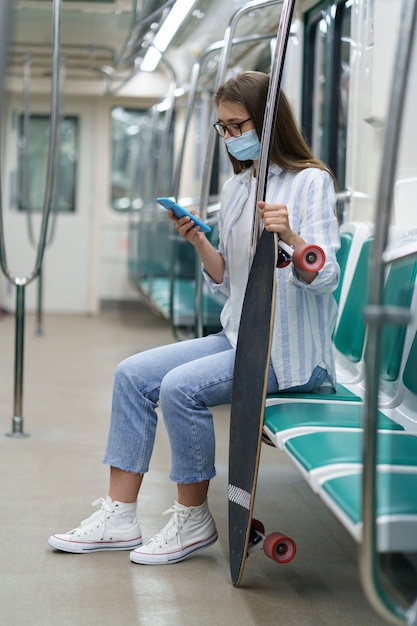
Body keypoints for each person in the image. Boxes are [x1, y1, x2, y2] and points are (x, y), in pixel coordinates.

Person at [48, 71, 340, 564]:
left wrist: (291, 237)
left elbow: (327, 276)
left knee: (180, 388)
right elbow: (227, 279)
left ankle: (193, 520)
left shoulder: (311, 182)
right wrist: (200, 241)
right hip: (239, 338)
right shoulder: (236, 190)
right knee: (132, 375)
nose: (230, 137)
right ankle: (120, 516)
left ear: (268, 123)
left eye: (237, 125)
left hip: (289, 356)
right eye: (222, 128)